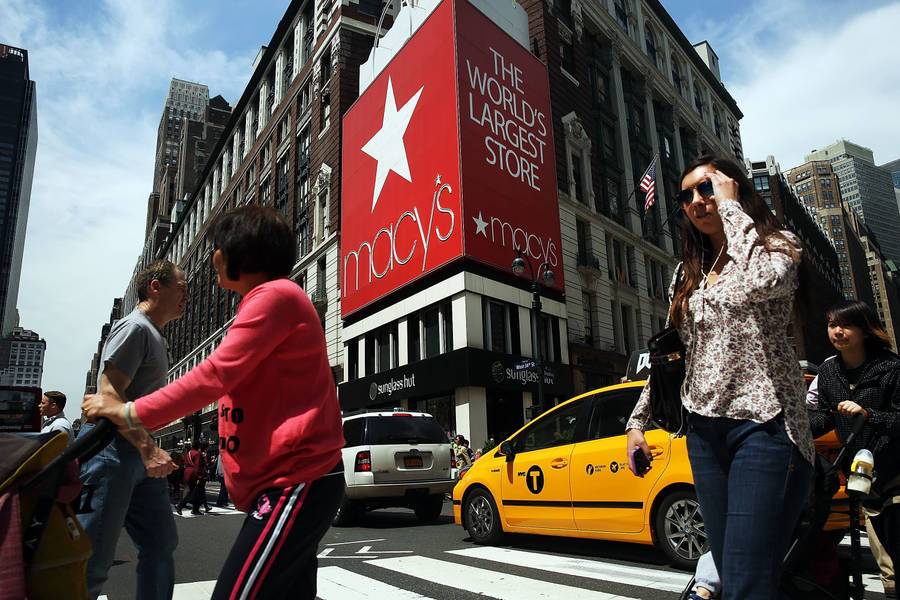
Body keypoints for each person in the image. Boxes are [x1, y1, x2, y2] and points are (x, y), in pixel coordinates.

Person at [83, 206, 345, 600]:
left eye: (217, 249)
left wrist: (127, 410)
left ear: (236, 254)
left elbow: (214, 374)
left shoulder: (274, 297)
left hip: (296, 482)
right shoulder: (268, 299)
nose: (211, 259)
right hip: (291, 483)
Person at [625, 155, 814, 599]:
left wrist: (732, 211)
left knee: (747, 576)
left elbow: (764, 283)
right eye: (686, 195)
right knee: (732, 570)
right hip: (704, 430)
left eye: (706, 188)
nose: (696, 201)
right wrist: (637, 422)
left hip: (764, 423)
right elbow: (676, 357)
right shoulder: (687, 273)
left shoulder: (777, 245)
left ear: (733, 188)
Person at [77, 259, 187, 600]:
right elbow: (109, 393)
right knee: (93, 561)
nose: (187, 294)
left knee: (161, 543)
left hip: (137, 457)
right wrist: (149, 448)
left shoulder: (154, 335)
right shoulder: (135, 328)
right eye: (180, 286)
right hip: (112, 454)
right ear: (155, 287)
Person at [808, 300, 900, 598]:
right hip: (862, 476)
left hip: (895, 470)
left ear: (864, 330)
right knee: (886, 560)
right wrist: (794, 424)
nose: (838, 331)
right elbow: (824, 417)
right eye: (833, 325)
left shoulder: (890, 367)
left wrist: (867, 414)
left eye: (846, 325)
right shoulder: (829, 371)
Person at [176, 441, 207, 516]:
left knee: (195, 491)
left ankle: (195, 509)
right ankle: (181, 505)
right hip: (194, 474)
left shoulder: (189, 453)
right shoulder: (197, 454)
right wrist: (199, 476)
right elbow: (197, 466)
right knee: (195, 491)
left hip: (187, 472)